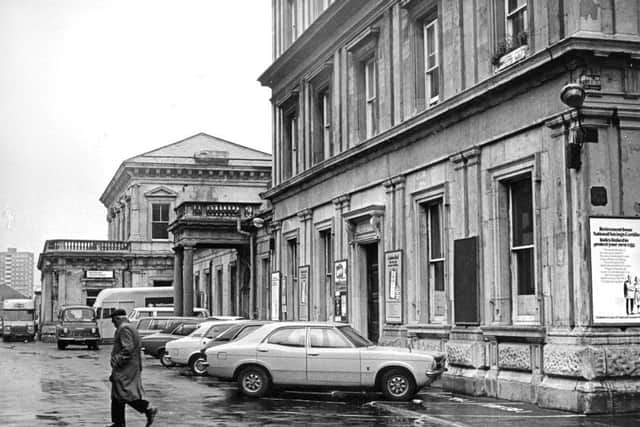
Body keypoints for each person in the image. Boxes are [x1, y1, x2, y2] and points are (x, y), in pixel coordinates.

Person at [108, 308, 157, 427]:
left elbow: (128, 348)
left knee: (125, 394)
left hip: (125, 368)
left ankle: (147, 408)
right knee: (117, 395)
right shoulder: (130, 327)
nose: (113, 324)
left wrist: (117, 361)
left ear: (118, 318)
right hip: (128, 367)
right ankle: (118, 423)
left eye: (113, 321)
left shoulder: (124, 328)